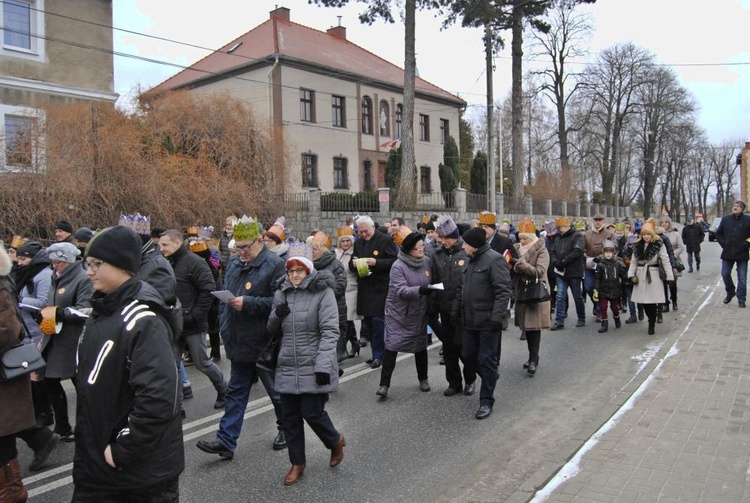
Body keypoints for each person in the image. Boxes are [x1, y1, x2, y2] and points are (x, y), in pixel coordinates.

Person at [73, 225, 184, 501]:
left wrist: (124, 448)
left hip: (135, 476)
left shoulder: (142, 319)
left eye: (97, 264)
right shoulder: (102, 313)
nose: (89, 271)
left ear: (122, 265)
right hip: (98, 467)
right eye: (88, 263)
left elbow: (159, 398)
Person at [196, 216, 288, 459]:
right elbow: (230, 294)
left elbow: (279, 302)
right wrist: (226, 323)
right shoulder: (236, 263)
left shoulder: (275, 265)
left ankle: (287, 430)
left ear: (260, 241)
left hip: (262, 340)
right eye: (238, 246)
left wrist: (248, 303)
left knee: (276, 391)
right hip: (238, 338)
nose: (241, 251)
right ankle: (226, 441)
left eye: (245, 246)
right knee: (236, 392)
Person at [267, 245, 345, 486]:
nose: (295, 275)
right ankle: (297, 462)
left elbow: (330, 331)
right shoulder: (282, 293)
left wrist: (323, 366)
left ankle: (334, 441)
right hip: (288, 363)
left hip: (314, 362)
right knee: (289, 417)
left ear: (309, 271)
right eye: (291, 271)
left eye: (300, 270)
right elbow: (271, 330)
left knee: (312, 412)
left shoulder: (323, 293)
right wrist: (277, 315)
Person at [160, 230, 227, 410]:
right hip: (174, 323)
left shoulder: (195, 262)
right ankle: (177, 406)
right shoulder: (166, 263)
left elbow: (208, 289)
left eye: (165, 245)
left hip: (193, 324)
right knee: (171, 366)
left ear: (177, 243)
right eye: (160, 245)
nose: (161, 249)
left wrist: (195, 315)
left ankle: (223, 390)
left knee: (202, 363)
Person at [455, 226, 512, 420]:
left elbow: (504, 290)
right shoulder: (469, 261)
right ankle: (490, 376)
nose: (463, 246)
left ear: (474, 245)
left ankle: (486, 401)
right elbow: (462, 289)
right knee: (467, 354)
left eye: (466, 243)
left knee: (487, 360)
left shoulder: (494, 260)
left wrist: (497, 317)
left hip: (488, 321)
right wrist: (457, 311)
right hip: (469, 320)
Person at [40, 242, 93, 442]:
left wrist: (59, 313)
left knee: (80, 383)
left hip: (74, 338)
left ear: (68, 261)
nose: (54, 266)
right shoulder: (56, 277)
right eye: (52, 262)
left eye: (58, 262)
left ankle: (86, 424)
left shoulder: (82, 278)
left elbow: (84, 309)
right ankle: (62, 425)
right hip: (54, 336)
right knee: (50, 380)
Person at [376, 231, 432, 398]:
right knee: (392, 346)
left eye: (422, 246)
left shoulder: (427, 262)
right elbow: (401, 291)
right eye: (418, 248)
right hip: (399, 314)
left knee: (420, 347)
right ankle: (384, 385)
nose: (421, 250)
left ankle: (424, 379)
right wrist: (421, 290)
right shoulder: (398, 266)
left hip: (419, 311)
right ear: (409, 251)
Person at [0, 246, 33, 501]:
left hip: (4, 380)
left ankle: (12, 493)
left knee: (3, 442)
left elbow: (9, 330)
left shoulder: (1, 289)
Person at [431, 216, 474, 396]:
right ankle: (454, 382)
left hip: (463, 311)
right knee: (449, 348)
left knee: (465, 348)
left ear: (455, 237)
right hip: (445, 309)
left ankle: (470, 379)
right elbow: (434, 282)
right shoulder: (437, 255)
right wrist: (433, 306)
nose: (442, 242)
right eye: (440, 239)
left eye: (446, 239)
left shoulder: (466, 253)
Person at [349, 216, 397, 369]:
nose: (363, 234)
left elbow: (393, 261)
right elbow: (351, 262)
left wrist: (376, 262)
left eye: (366, 231)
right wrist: (354, 263)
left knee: (378, 322)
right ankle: (375, 353)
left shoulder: (385, 239)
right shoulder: (359, 243)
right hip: (365, 287)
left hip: (380, 288)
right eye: (360, 232)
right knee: (368, 323)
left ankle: (379, 355)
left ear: (373, 228)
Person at [512, 219, 551, 374]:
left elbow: (540, 271)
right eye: (520, 238)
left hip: (536, 292)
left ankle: (534, 359)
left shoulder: (542, 250)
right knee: (526, 327)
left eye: (525, 238)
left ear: (532, 238)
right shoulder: (516, 249)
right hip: (522, 291)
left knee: (534, 327)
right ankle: (531, 357)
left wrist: (521, 265)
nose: (522, 241)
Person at [627, 222, 674, 335]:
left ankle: (651, 323)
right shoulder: (637, 245)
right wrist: (631, 275)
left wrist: (670, 277)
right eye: (644, 235)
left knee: (652, 301)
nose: (646, 237)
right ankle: (650, 318)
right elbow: (633, 262)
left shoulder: (659, 244)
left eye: (648, 234)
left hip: (654, 274)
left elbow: (665, 260)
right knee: (643, 302)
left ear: (652, 234)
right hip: (640, 274)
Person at [310, 232, 349, 363]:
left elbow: (340, 286)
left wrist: (320, 289)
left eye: (314, 249)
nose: (312, 252)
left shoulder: (335, 264)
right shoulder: (309, 266)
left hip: (334, 309)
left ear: (323, 249)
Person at [549, 217, 586, 330]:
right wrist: (555, 262)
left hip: (574, 272)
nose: (558, 230)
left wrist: (564, 261)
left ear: (566, 226)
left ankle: (581, 317)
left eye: (559, 227)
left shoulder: (577, 236)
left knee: (577, 296)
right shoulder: (558, 238)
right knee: (560, 296)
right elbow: (553, 251)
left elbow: (578, 251)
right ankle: (559, 321)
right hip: (561, 273)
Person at [716, 200, 750, 308]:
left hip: (742, 252)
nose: (735, 207)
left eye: (738, 206)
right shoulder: (726, 219)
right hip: (728, 252)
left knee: (742, 277)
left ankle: (741, 299)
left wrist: (746, 244)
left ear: (742, 209)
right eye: (734, 205)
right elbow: (718, 233)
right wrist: (723, 243)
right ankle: (730, 292)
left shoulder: (748, 219)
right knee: (725, 273)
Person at [334, 226, 361, 358]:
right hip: (339, 291)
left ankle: (342, 348)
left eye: (348, 241)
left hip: (351, 289)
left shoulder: (356, 253)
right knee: (343, 320)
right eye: (343, 241)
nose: (345, 244)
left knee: (347, 320)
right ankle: (355, 343)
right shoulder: (335, 253)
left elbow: (363, 272)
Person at [583, 214, 614, 322]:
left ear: (603, 221)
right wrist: (586, 257)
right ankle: (596, 303)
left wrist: (599, 258)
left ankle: (599, 311)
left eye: (600, 220)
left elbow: (612, 248)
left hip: (603, 265)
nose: (597, 222)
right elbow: (581, 248)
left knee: (600, 288)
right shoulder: (587, 234)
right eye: (595, 220)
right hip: (588, 265)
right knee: (588, 287)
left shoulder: (609, 234)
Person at [593, 240, 626, 333]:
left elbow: (622, 275)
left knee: (614, 307)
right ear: (603, 253)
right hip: (604, 289)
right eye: (606, 252)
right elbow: (598, 278)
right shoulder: (600, 265)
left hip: (615, 289)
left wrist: (628, 277)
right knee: (603, 308)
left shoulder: (617, 263)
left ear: (613, 253)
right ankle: (604, 324)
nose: (608, 254)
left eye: (610, 252)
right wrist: (596, 289)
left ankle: (617, 318)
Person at [659, 217, 684, 312]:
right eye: (662, 222)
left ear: (669, 223)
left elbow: (681, 247)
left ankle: (674, 300)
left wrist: (671, 254)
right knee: (663, 283)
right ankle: (665, 303)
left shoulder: (676, 234)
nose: (664, 224)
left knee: (672, 283)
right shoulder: (658, 235)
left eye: (666, 222)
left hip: (673, 260)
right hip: (662, 261)